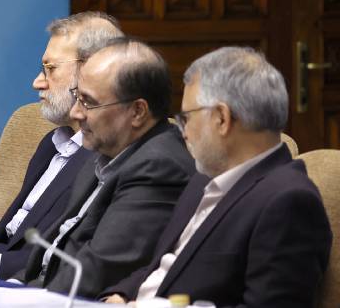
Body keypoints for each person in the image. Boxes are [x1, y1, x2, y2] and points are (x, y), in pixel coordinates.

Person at [101, 47, 332, 307]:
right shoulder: (204, 178)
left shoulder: (289, 202)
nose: (183, 131)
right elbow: (165, 265)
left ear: (222, 118)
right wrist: (122, 295)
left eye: (186, 118)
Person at [0, 12, 123, 280]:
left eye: (51, 68)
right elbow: (9, 234)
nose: (37, 82)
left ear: (93, 70)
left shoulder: (109, 155)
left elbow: (66, 255)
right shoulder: (51, 143)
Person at [16, 38, 194, 298]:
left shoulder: (159, 168)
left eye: (88, 101)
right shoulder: (104, 148)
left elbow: (96, 271)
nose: (76, 113)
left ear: (137, 112)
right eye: (77, 96)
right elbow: (54, 255)